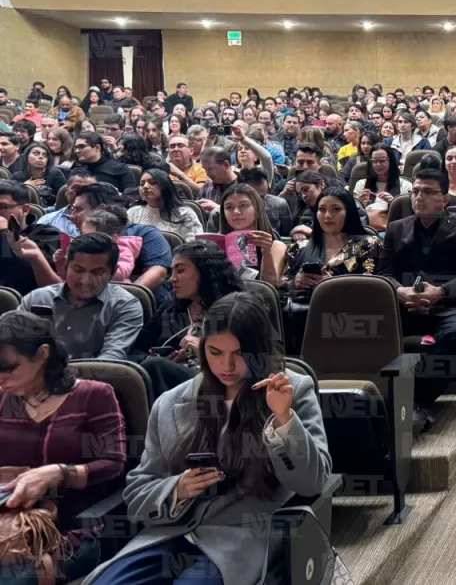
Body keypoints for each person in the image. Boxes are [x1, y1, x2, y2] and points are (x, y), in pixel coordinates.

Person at [82, 295, 331, 585]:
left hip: (242, 535)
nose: (226, 365)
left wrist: (284, 418)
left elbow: (312, 482)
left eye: (239, 354)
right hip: (170, 531)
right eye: (214, 352)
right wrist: (178, 488)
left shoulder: (294, 390)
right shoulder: (171, 402)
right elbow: (138, 492)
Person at [0, 310, 127, 585]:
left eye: (8, 367)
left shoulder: (93, 395)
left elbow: (114, 463)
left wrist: (59, 473)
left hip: (68, 531)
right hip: (6, 521)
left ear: (43, 354)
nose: (0, 377)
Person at [377, 167, 456, 421]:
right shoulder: (396, 228)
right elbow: (384, 273)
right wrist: (400, 291)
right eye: (415, 191)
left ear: (445, 199)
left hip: (450, 307)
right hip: (406, 306)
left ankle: (417, 401)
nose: (419, 197)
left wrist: (441, 292)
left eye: (428, 192)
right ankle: (383, 402)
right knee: (371, 331)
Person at [264, 187, 379, 351]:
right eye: (322, 210)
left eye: (336, 209)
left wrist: (333, 285)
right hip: (299, 317)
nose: (327, 216)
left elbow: (373, 288)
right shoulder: (300, 247)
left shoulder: (367, 244)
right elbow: (280, 283)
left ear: (350, 212)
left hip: (346, 318)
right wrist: (295, 281)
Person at [134, 241, 244, 394]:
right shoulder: (171, 308)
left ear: (205, 271)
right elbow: (137, 350)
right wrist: (165, 360)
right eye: (172, 272)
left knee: (155, 366)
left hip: (221, 383)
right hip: (169, 384)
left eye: (180, 271)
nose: (172, 279)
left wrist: (204, 350)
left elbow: (259, 359)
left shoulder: (239, 309)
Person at [19, 233, 144, 360]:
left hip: (93, 377)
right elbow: (12, 345)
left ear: (112, 272)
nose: (85, 280)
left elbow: (111, 359)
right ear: (66, 266)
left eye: (97, 273)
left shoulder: (125, 306)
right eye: (78, 270)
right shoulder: (36, 299)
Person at [127, 168, 204, 241]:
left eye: (153, 183)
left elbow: (195, 247)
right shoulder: (132, 213)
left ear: (165, 186)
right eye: (142, 184)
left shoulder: (185, 214)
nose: (145, 187)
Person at [353, 146, 410, 233]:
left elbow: (409, 216)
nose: (378, 164)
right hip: (365, 230)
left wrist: (394, 203)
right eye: (374, 161)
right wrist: (361, 204)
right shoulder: (361, 184)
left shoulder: (405, 185)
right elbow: (353, 214)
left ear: (390, 161)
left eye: (382, 161)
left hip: (393, 231)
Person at [68, 133, 134, 193]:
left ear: (97, 148)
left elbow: (130, 196)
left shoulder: (120, 169)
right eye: (75, 148)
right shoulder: (75, 171)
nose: (76, 151)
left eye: (82, 147)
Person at [12, 142, 65, 208]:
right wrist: (24, 187)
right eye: (36, 153)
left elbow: (63, 199)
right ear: (27, 156)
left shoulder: (56, 174)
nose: (41, 157)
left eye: (44, 155)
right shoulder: (17, 177)